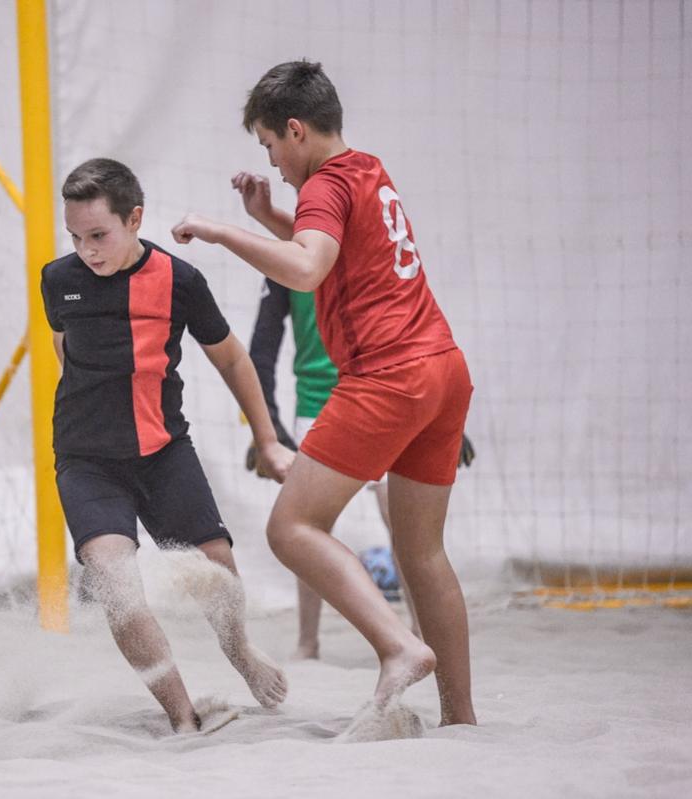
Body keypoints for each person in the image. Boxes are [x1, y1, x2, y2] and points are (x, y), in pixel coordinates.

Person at [172, 61, 477, 726]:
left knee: (290, 527)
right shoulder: (368, 169)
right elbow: (332, 248)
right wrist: (267, 216)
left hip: (387, 375)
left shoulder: (322, 183)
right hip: (443, 368)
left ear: (295, 129)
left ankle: (397, 646)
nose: (272, 161)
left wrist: (223, 231)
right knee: (422, 553)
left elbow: (308, 269)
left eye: (269, 145)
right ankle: (460, 718)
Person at [41, 158, 295, 733]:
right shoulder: (57, 280)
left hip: (163, 452)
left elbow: (233, 359)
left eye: (99, 235)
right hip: (86, 462)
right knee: (116, 586)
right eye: (75, 237)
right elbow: (65, 349)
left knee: (218, 568)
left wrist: (267, 439)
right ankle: (182, 717)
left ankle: (242, 654)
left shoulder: (180, 281)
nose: (86, 251)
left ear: (135, 219)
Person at [241, 203, 477, 659]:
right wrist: (266, 428)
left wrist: (444, 422)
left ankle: (419, 635)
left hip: (390, 398)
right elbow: (260, 351)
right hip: (319, 403)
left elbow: (424, 336)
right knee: (305, 526)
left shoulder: (376, 251)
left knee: (404, 523)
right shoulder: (288, 260)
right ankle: (308, 643)